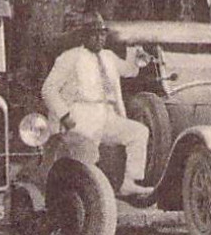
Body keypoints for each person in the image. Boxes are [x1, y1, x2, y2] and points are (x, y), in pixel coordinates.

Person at [41, 13, 150, 199]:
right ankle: (81, 196)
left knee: (138, 132)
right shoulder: (70, 58)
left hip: (106, 114)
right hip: (81, 114)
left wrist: (135, 54)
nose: (99, 38)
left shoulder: (109, 57)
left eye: (102, 34)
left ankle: (129, 182)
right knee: (85, 158)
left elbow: (130, 71)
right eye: (94, 34)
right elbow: (48, 89)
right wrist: (64, 115)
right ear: (84, 36)